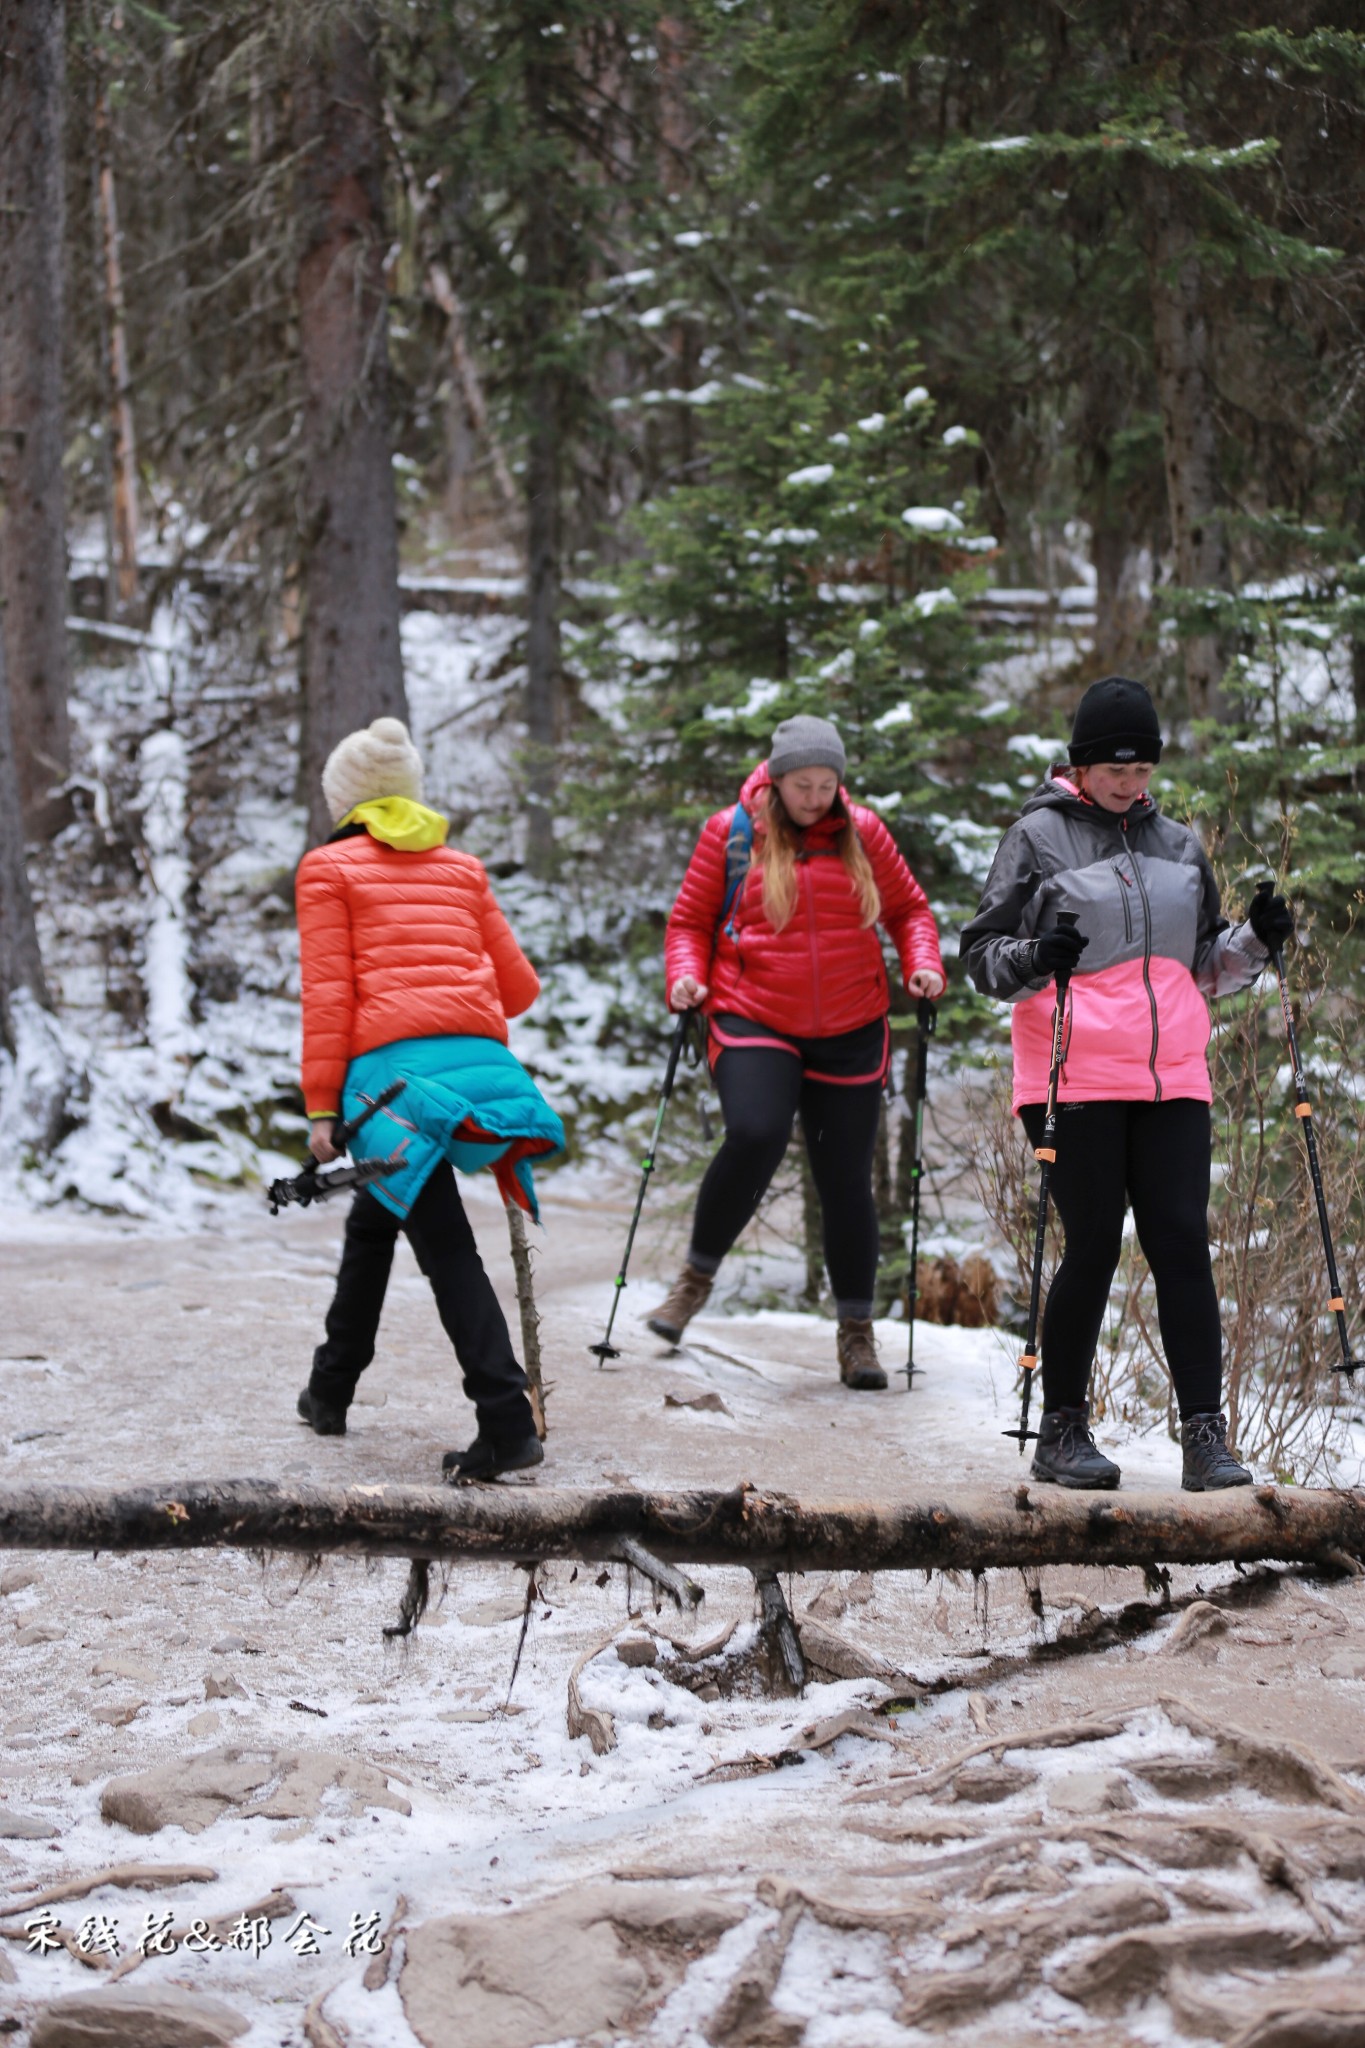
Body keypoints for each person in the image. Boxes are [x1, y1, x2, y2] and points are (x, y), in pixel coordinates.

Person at [960, 675, 1294, 1491]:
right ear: (1079, 766)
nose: (1128, 782)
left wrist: (1254, 940)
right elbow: (980, 957)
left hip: (1171, 1074)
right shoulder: (1035, 839)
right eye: (1113, 768)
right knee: (1095, 1246)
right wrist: (1036, 958)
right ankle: (1062, 1430)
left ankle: (1204, 1437)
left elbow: (1204, 968)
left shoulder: (1177, 846)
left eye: (1140, 768)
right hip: (1069, 1073)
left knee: (1181, 1242)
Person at [294, 716, 564, 1481]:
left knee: (443, 1241)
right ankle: (329, 1387)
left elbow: (329, 998)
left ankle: (507, 1421)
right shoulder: (460, 868)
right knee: (376, 1216)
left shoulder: (327, 869)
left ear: (344, 801)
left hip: (394, 1087)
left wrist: (322, 1108)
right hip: (479, 1068)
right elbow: (520, 989)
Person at [649, 714, 946, 1389]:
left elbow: (910, 913)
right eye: (803, 785)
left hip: (850, 1022)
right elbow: (687, 924)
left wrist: (921, 964)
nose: (816, 797)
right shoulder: (731, 835)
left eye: (827, 784)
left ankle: (855, 1334)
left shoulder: (863, 834)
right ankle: (692, 1284)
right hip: (752, 1011)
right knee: (754, 1131)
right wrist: (683, 978)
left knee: (844, 1176)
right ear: (775, 781)